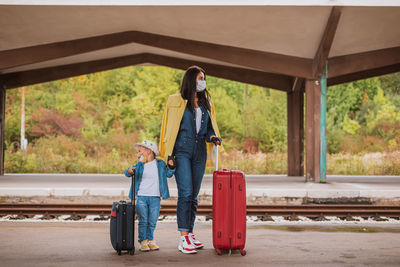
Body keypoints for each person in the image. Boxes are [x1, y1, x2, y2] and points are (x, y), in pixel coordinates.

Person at [159, 66, 222, 254]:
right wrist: (168, 155)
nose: (203, 81)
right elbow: (168, 128)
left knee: (194, 196)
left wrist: (213, 137)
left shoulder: (205, 102)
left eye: (204, 78)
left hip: (199, 151)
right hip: (182, 151)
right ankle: (183, 236)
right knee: (185, 193)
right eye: (200, 77)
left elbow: (209, 129)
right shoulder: (175, 101)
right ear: (191, 79)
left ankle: (190, 233)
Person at [124, 140, 176, 252]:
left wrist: (172, 167)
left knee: (152, 220)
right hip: (141, 197)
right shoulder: (139, 165)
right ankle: (143, 241)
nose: (138, 154)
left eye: (140, 151)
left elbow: (168, 174)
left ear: (149, 151)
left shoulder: (160, 164)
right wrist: (129, 171)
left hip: (155, 197)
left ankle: (150, 239)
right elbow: (127, 173)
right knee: (143, 220)